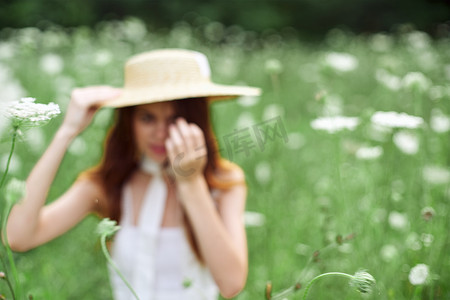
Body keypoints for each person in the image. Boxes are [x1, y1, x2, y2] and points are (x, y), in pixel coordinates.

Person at [5, 49, 261, 299]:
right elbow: (18, 237)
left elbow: (231, 283)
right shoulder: (110, 183)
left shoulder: (224, 182)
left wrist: (191, 183)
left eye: (173, 120)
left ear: (196, 122)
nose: (160, 133)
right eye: (147, 118)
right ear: (129, 122)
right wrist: (67, 132)